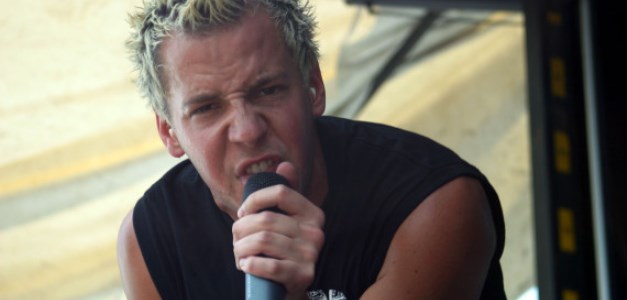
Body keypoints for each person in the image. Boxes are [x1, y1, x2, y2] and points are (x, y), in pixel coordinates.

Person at [117, 0, 506, 299]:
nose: (248, 130)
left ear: (314, 87)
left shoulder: (432, 203)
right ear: (168, 132)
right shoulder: (151, 238)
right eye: (206, 108)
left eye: (268, 90)